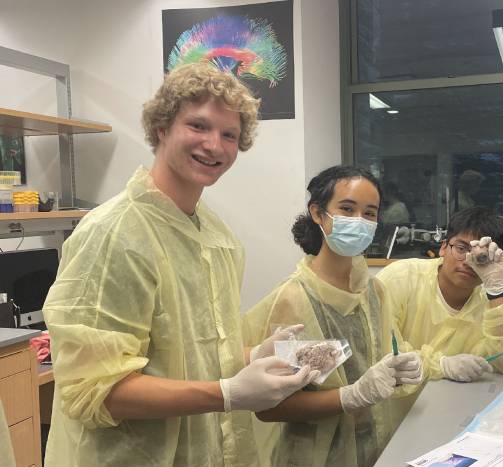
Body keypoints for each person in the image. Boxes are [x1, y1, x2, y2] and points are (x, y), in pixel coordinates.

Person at [42, 62, 317, 466]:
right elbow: (95, 389)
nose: (214, 145)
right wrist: (227, 393)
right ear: (161, 127)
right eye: (199, 126)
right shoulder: (114, 234)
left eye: (229, 135)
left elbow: (187, 355)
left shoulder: (215, 237)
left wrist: (251, 355)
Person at [243, 165, 423, 467]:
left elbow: (372, 366)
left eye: (370, 213)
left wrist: (400, 367)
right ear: (317, 213)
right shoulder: (297, 299)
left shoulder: (374, 292)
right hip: (313, 456)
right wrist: (351, 395)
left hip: (373, 447)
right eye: (347, 209)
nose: (359, 221)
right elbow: (271, 407)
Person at [377, 207, 503, 390]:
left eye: (481, 257)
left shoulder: (489, 303)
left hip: (452, 404)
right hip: (396, 410)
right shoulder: (400, 278)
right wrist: (441, 366)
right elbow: (380, 353)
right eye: (461, 248)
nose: (468, 261)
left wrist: (497, 289)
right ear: (443, 247)